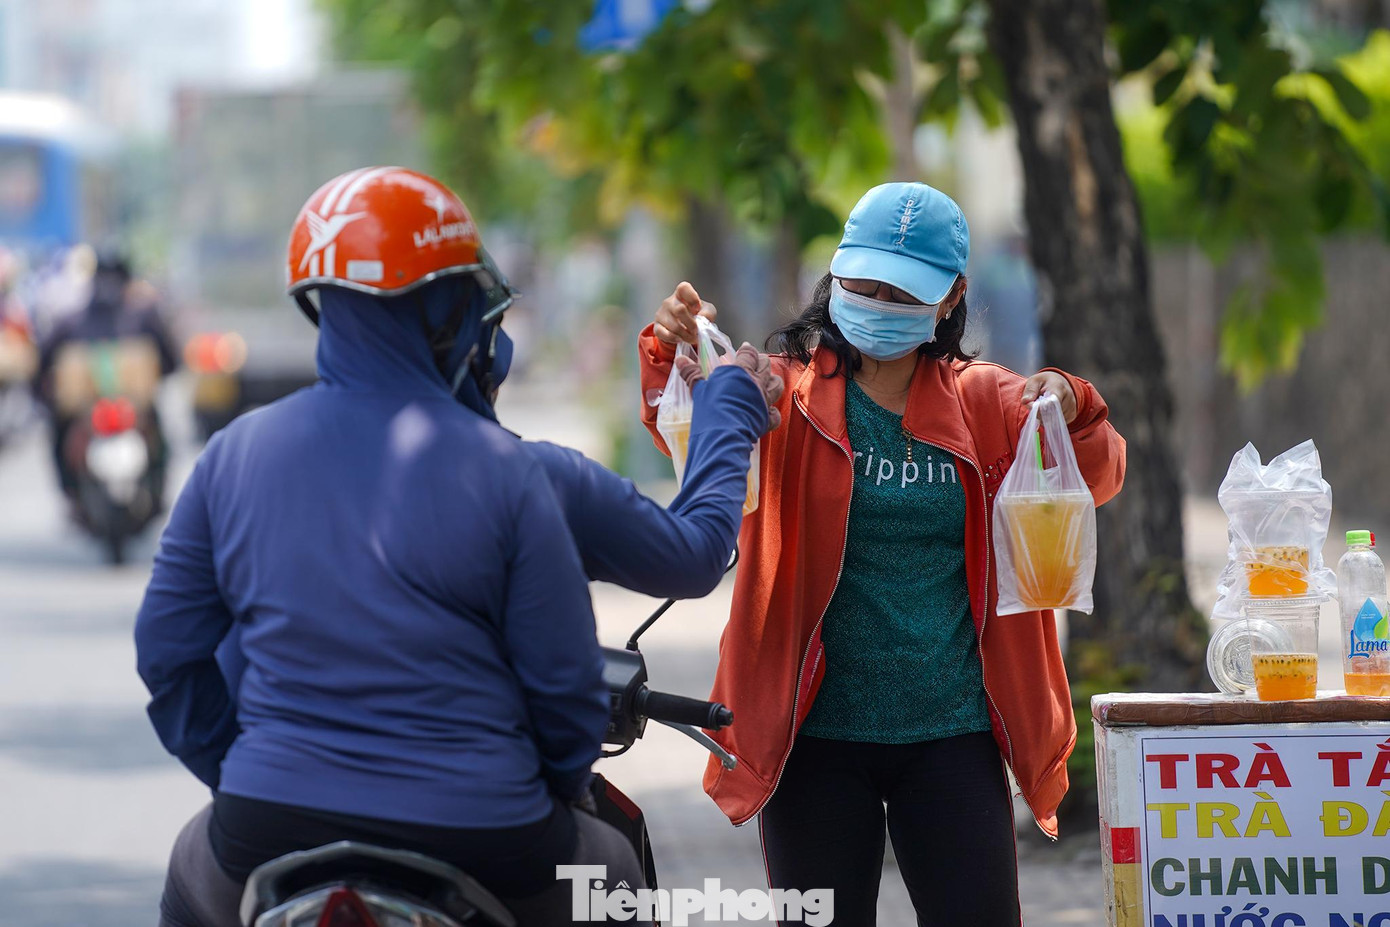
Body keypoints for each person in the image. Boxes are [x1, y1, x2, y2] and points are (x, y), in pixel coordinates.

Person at [135, 167, 781, 927]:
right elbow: (573, 687)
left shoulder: (232, 458)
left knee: (190, 861)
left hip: (268, 820)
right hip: (487, 832)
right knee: (610, 866)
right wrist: (728, 405)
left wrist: (246, 771)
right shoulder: (517, 474)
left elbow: (168, 654)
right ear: (451, 312)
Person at [638, 182, 1126, 926]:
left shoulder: (989, 404)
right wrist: (671, 350)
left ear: (950, 296)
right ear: (835, 275)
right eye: (863, 282)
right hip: (812, 738)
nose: (876, 301)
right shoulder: (782, 395)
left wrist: (1072, 402)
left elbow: (1098, 472)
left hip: (954, 733)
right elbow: (680, 427)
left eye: (901, 291)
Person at [33, 250, 178, 502]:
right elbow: (171, 361)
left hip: (119, 411)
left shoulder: (71, 321)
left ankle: (74, 496)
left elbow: (41, 366)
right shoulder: (142, 317)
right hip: (100, 412)